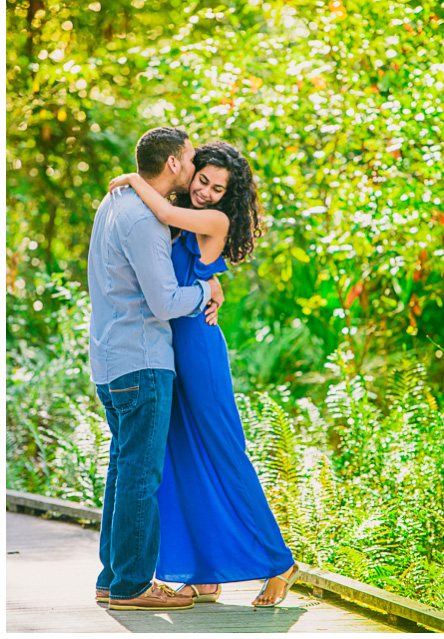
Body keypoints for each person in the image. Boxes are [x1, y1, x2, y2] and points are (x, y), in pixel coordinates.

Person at [109, 141, 300, 608]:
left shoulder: (215, 221)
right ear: (190, 175)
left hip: (199, 349)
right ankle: (206, 574)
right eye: (203, 180)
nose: (208, 192)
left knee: (225, 452)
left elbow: (167, 216)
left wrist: (134, 179)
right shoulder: (172, 210)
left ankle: (282, 562)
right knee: (182, 458)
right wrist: (208, 283)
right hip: (169, 347)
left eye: (219, 188)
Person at [89, 127, 222, 611]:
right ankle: (132, 586)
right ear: (172, 165)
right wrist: (207, 292)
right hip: (141, 362)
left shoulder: (115, 201)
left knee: (124, 472)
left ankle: (113, 577)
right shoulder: (144, 218)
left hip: (109, 359)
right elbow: (165, 301)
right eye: (189, 162)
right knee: (142, 476)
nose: (192, 169)